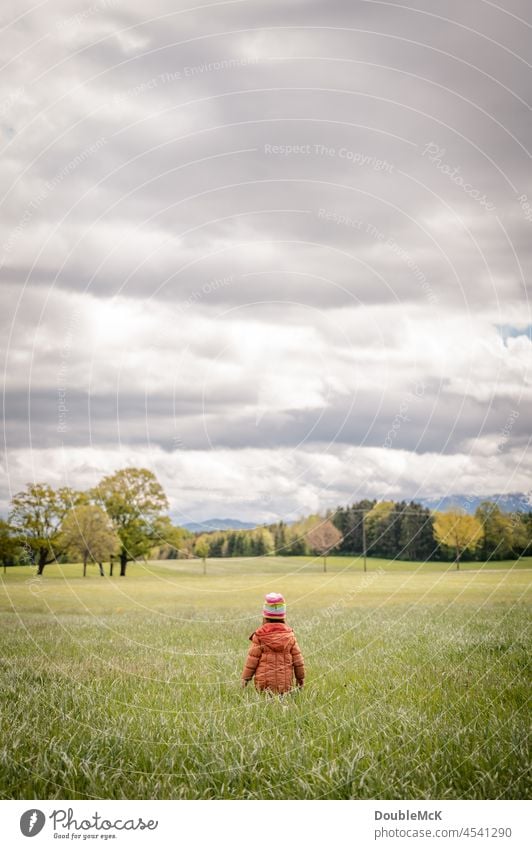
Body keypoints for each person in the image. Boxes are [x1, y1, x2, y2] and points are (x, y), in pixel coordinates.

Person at [241, 592, 305, 694]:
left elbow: (252, 661)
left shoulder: (259, 636)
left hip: (263, 685)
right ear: (283, 617)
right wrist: (300, 679)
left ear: (265, 617)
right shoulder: (290, 636)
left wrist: (245, 679)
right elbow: (298, 662)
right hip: (285, 685)